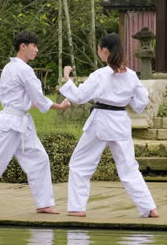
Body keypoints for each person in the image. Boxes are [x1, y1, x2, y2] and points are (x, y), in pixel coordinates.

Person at [0, 31, 71, 214]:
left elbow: (20, 98)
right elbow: (38, 99)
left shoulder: (10, 68)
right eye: (34, 46)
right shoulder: (23, 70)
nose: (37, 50)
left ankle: (44, 203)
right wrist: (60, 106)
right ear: (23, 46)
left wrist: (33, 105)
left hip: (21, 122)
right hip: (11, 123)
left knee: (40, 159)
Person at [59, 33, 158, 218]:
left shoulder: (100, 75)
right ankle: (149, 208)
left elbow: (79, 97)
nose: (99, 53)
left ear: (104, 51)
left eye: (99, 50)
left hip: (101, 120)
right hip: (120, 120)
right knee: (129, 167)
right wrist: (125, 99)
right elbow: (141, 102)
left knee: (80, 164)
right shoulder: (131, 75)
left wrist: (67, 77)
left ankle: (77, 208)